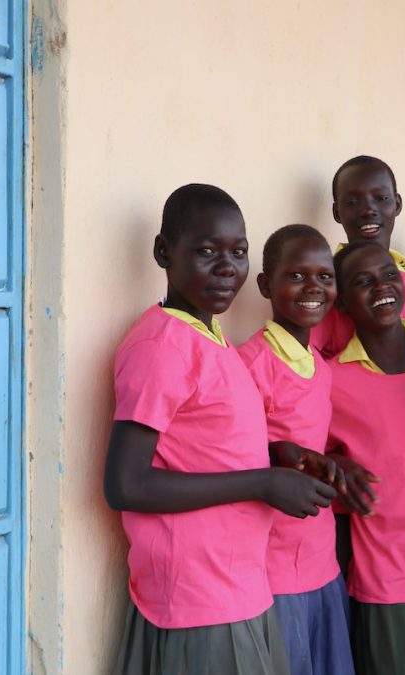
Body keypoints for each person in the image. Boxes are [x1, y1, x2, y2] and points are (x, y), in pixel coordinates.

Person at [105, 184, 336, 675]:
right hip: (197, 596)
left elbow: (204, 447)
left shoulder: (210, 337)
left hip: (236, 584)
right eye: (207, 251)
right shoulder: (162, 345)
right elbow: (126, 484)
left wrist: (281, 456)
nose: (227, 266)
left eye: (239, 251)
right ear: (164, 252)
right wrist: (261, 483)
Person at [325, 242, 405, 675]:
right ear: (341, 301)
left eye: (389, 275)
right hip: (388, 577)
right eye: (362, 281)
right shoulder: (331, 381)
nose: (381, 286)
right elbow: (285, 445)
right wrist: (332, 463)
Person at [237, 225, 354, 675]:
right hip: (273, 569)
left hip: (321, 561)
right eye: (297, 276)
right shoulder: (251, 365)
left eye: (325, 277)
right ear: (267, 285)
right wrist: (278, 453)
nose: (314, 289)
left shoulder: (320, 369)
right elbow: (232, 455)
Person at [311, 155, 405, 357]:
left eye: (380, 198)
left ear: (397, 204)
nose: (368, 210)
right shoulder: (327, 289)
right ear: (337, 212)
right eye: (352, 202)